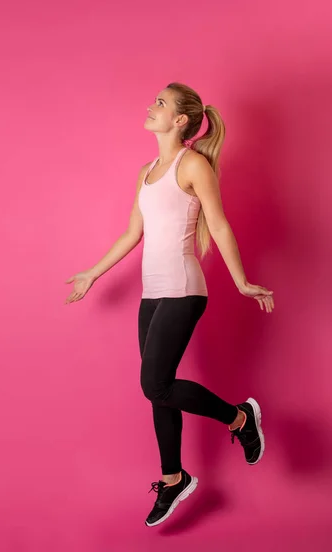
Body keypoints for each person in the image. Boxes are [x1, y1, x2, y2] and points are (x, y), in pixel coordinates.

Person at [64, 82, 274, 528]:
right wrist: (92, 273)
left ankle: (239, 417)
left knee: (155, 385)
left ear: (180, 120)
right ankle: (173, 477)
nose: (150, 105)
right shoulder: (146, 171)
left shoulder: (192, 164)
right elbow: (131, 234)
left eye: (160, 103)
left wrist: (241, 282)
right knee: (160, 389)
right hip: (151, 292)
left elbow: (217, 225)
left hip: (182, 287)